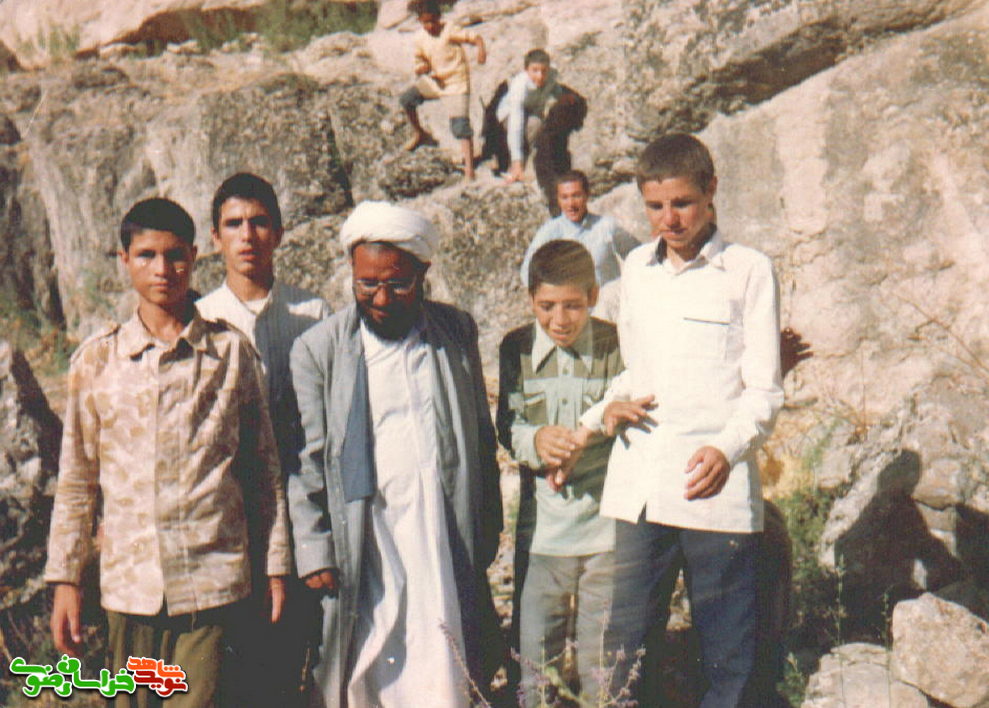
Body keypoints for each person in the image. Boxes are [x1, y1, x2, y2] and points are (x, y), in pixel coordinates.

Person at [45, 197, 291, 707]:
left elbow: (262, 471)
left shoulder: (229, 353)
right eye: (147, 255)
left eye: (175, 255)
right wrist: (66, 579)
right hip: (130, 588)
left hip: (213, 582)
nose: (163, 269)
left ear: (195, 256)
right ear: (124, 260)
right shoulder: (97, 361)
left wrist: (275, 565)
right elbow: (76, 481)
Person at [583, 133, 784, 706]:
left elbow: (764, 391)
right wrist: (605, 411)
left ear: (711, 191)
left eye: (682, 203)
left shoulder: (748, 270)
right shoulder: (636, 271)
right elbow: (635, 373)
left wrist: (727, 449)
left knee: (728, 653)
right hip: (643, 485)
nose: (668, 219)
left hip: (712, 487)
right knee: (627, 647)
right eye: (654, 206)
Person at [288, 201, 503, 707]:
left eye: (398, 284)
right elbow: (306, 461)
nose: (382, 298)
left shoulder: (455, 332)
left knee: (444, 650)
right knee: (369, 653)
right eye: (367, 284)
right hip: (368, 531)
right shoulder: (319, 350)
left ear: (422, 274)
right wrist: (314, 547)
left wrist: (487, 523)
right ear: (351, 274)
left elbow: (480, 434)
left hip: (439, 526)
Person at [196, 172, 331, 707]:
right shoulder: (201, 319)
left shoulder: (314, 315)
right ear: (215, 238)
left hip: (301, 503)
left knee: (301, 646)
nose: (247, 236)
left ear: (278, 232)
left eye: (258, 223)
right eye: (233, 224)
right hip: (228, 510)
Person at [497, 241, 624, 705]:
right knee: (536, 659)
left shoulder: (615, 343)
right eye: (546, 306)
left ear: (592, 296)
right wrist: (537, 440)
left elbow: (627, 408)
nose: (560, 319)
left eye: (573, 305)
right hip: (545, 535)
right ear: (530, 299)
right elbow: (509, 426)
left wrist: (591, 433)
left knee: (602, 661)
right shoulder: (516, 348)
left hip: (605, 531)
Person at [399, 0, 486, 180]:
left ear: (439, 18)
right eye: (425, 22)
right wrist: (423, 68)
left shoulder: (449, 30)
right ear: (420, 21)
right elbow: (419, 62)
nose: (430, 26)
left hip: (455, 84)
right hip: (436, 82)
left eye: (433, 21)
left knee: (460, 127)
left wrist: (481, 50)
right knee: (407, 99)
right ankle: (420, 133)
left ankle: (469, 170)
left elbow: (475, 37)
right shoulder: (420, 38)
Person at [519, 170, 640, 291]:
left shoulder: (607, 226)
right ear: (558, 200)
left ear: (587, 195)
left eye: (576, 196)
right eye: (564, 197)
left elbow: (639, 258)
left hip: (606, 300)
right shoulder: (549, 232)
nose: (571, 204)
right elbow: (527, 272)